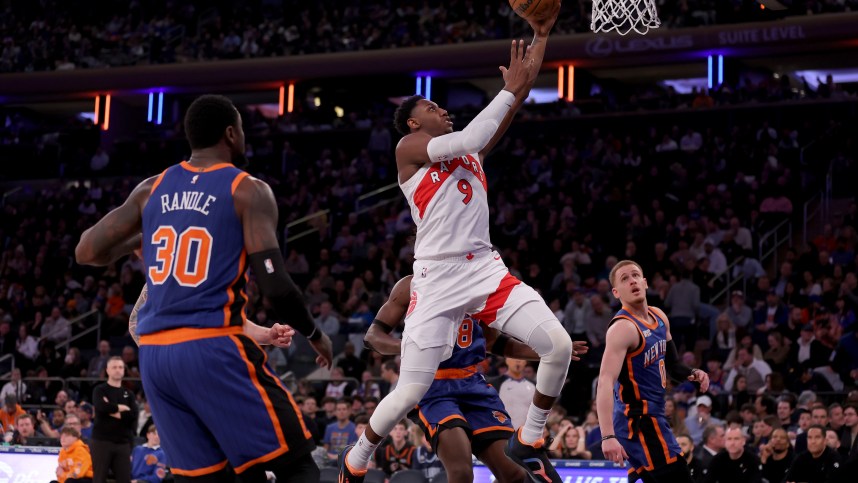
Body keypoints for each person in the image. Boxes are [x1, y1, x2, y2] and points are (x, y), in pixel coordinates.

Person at [341, 7, 574, 483]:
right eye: (430, 107)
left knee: (559, 346)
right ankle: (357, 458)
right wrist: (508, 90)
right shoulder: (409, 153)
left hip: (484, 268)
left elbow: (518, 95)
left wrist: (541, 34)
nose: (442, 110)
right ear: (412, 124)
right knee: (409, 392)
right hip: (435, 276)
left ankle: (529, 436)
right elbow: (477, 127)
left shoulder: (472, 151)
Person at [76, 94, 333, 481]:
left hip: (156, 359)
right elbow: (276, 286)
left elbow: (86, 251)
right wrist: (314, 333)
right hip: (212, 347)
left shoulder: (151, 188)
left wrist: (139, 238)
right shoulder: (247, 189)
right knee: (295, 460)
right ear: (231, 133)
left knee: (207, 476)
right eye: (243, 129)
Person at [363, 275, 588, 483]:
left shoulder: (479, 283)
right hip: (432, 383)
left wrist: (546, 350)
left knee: (514, 474)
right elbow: (373, 337)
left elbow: (494, 342)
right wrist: (409, 349)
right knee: (461, 472)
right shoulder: (410, 285)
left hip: (472, 383)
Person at [596, 260, 710, 483]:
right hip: (639, 421)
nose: (632, 281)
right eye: (625, 279)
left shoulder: (659, 317)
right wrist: (607, 436)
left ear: (645, 283)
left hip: (654, 416)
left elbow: (673, 364)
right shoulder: (623, 328)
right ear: (616, 292)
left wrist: (693, 372)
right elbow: (604, 382)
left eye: (636, 275)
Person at [91, 356, 137, 483]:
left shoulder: (129, 393)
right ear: (107, 370)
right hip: (101, 442)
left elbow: (133, 415)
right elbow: (101, 407)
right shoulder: (99, 389)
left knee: (124, 480)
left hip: (123, 443)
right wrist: (121, 408)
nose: (118, 370)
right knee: (99, 479)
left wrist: (111, 410)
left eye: (120, 367)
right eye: (114, 367)